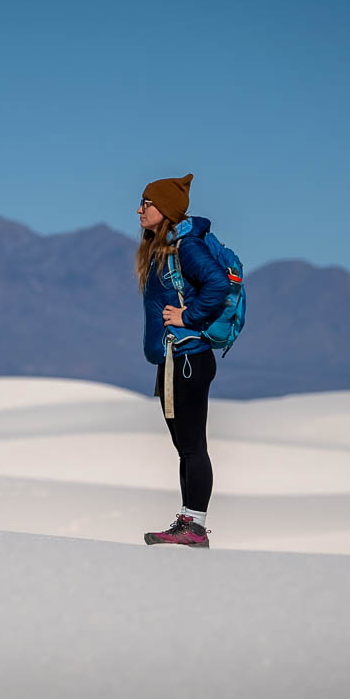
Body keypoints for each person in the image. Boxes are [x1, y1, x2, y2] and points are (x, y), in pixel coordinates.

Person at [136, 173, 230, 547]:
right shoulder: (164, 248)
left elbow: (218, 285)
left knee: (193, 445)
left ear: (167, 211)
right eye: (142, 202)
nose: (141, 209)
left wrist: (187, 317)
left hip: (189, 359)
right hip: (174, 361)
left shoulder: (186, 247)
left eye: (148, 203)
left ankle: (195, 527)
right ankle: (188, 522)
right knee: (184, 446)